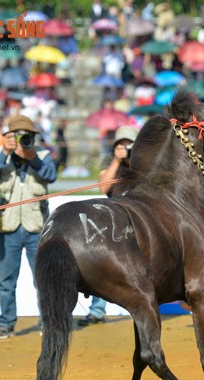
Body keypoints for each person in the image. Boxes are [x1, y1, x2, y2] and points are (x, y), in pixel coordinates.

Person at [0, 115, 57, 339]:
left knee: (42, 279)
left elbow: (50, 175)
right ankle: (5, 323)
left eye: (28, 135)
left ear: (34, 137)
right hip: (7, 225)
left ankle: (48, 322)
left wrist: (31, 156)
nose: (23, 139)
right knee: (6, 280)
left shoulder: (42, 154)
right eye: (17, 135)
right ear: (8, 137)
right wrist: (5, 151)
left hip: (37, 226)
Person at [77, 125, 138, 328]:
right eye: (121, 144)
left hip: (140, 214)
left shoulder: (144, 160)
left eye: (129, 144)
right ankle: (97, 310)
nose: (125, 147)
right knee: (104, 259)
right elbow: (103, 187)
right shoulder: (109, 160)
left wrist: (133, 159)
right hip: (115, 214)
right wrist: (117, 160)